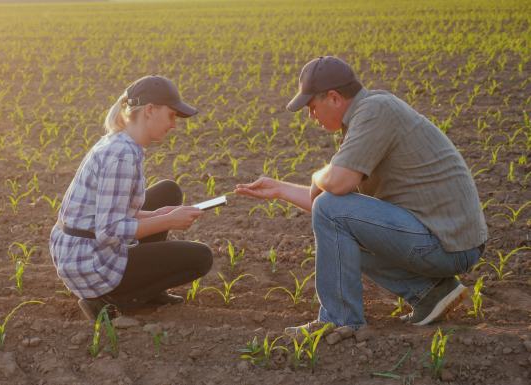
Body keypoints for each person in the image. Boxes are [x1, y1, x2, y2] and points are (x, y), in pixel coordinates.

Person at [235, 56, 487, 335]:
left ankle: (340, 321)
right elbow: (337, 209)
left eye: (311, 106)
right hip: (445, 239)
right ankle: (431, 293)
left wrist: (316, 177)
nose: (310, 115)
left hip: (447, 243)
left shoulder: (374, 111)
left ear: (333, 97)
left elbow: (335, 193)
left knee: (332, 207)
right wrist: (280, 189)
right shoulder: (368, 115)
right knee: (336, 221)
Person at [50, 75, 213, 320]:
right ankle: (109, 300)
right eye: (171, 115)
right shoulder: (122, 156)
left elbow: (113, 210)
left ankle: (149, 290)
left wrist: (157, 214)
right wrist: (169, 221)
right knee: (201, 258)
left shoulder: (120, 142)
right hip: (88, 263)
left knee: (168, 192)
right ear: (149, 110)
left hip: (78, 250)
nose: (174, 124)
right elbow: (110, 231)